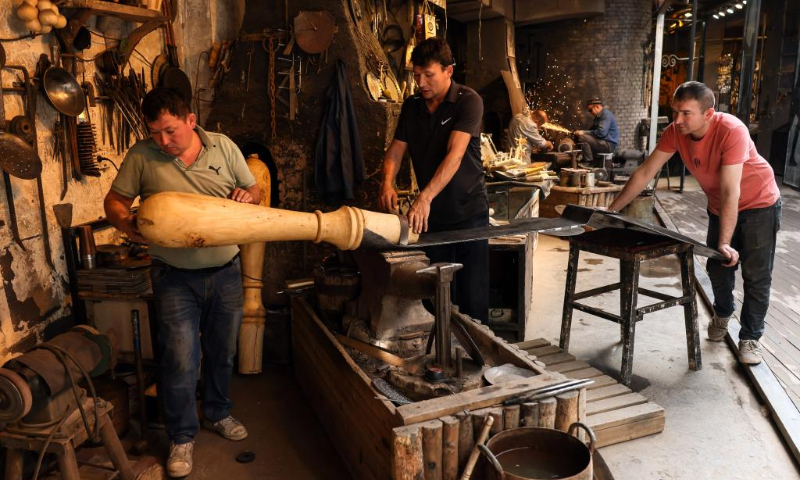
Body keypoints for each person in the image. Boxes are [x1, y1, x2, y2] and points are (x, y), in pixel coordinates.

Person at [104, 88, 261, 477]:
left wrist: (248, 194)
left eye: (170, 131)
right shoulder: (142, 155)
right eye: (155, 132)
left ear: (191, 120)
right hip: (173, 277)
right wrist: (127, 224)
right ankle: (182, 436)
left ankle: (218, 412)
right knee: (180, 358)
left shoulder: (223, 147)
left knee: (223, 352)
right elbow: (115, 201)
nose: (163, 141)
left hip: (225, 271)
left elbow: (255, 192)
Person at [608, 81, 781, 365]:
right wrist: (612, 210)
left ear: (709, 114)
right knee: (718, 266)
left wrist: (725, 240)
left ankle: (750, 338)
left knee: (756, 275)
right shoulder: (675, 132)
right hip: (720, 206)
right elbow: (645, 173)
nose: (677, 120)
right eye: (675, 111)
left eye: (686, 113)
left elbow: (730, 190)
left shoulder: (731, 130)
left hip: (759, 204)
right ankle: (723, 313)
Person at [378, 37, 489, 322]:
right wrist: (386, 183)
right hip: (431, 220)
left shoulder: (468, 101)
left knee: (472, 295)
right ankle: (441, 357)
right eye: (417, 75)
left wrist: (423, 197)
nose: (421, 82)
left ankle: (480, 361)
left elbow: (455, 155)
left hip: (468, 214)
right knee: (435, 293)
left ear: (448, 71)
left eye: (429, 75)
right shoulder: (411, 106)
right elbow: (395, 152)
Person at [575, 97, 619, 163]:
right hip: (603, 142)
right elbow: (591, 130)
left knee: (583, 137)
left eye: (590, 110)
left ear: (597, 107)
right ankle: (581, 157)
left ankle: (588, 162)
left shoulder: (606, 115)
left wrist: (583, 133)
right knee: (581, 137)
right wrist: (580, 132)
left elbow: (601, 133)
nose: (590, 113)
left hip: (608, 145)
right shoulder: (597, 117)